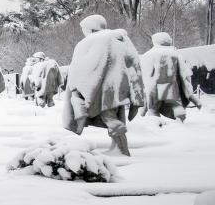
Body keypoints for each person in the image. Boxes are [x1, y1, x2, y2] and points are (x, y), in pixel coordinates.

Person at [62, 14, 145, 156]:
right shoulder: (122, 39)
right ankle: (118, 148)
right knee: (114, 115)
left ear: (92, 29)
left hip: (101, 89)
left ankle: (122, 150)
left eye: (85, 29)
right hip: (119, 87)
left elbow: (80, 70)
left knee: (109, 118)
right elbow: (134, 66)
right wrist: (136, 94)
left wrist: (78, 93)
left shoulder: (89, 42)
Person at [140, 32, 202, 122]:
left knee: (153, 110)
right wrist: (191, 96)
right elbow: (184, 76)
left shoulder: (147, 56)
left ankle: (157, 127)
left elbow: (145, 78)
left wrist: (145, 100)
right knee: (175, 106)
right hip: (172, 89)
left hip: (154, 91)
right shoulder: (176, 55)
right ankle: (179, 117)